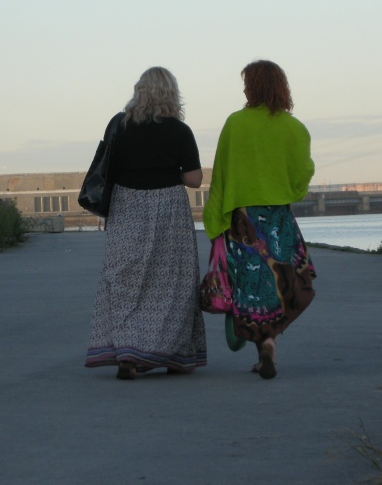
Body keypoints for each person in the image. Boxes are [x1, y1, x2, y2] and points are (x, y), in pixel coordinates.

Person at [85, 67, 207, 380]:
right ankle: (172, 354)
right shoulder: (180, 131)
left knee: (126, 279)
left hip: (127, 206)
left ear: (139, 91)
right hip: (168, 209)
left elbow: (108, 170)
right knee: (173, 282)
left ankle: (127, 352)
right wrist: (167, 169)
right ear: (171, 94)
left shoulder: (120, 125)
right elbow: (194, 179)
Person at [203, 60, 316, 380]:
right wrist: (285, 189)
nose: (243, 90)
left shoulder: (235, 124)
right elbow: (304, 172)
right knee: (280, 283)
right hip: (278, 218)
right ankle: (269, 342)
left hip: (242, 221)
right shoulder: (294, 128)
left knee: (251, 286)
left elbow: (221, 173)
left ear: (253, 87)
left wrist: (217, 218)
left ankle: (264, 343)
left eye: (246, 84)